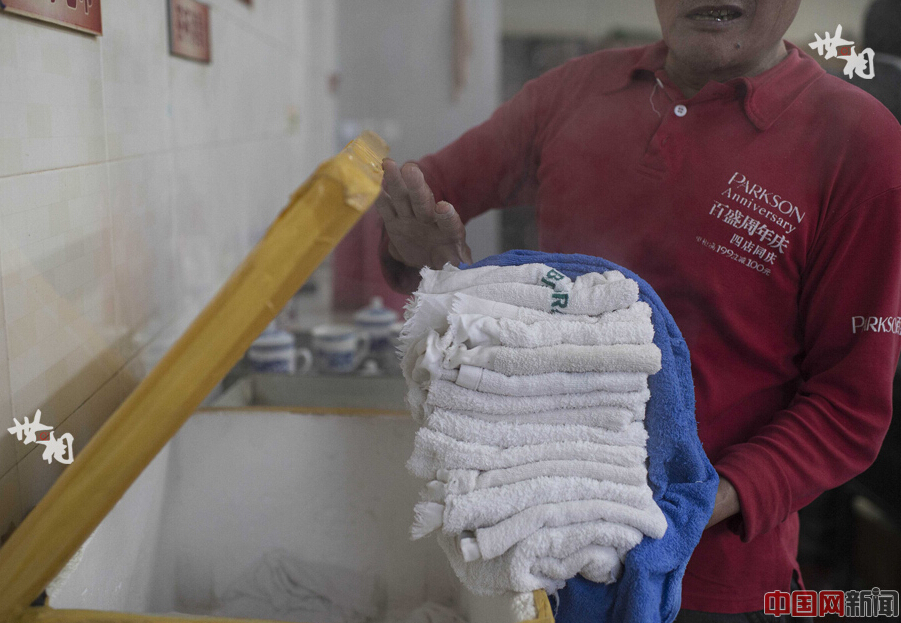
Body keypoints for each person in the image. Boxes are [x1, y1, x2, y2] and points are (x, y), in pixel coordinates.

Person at [374, 0, 901, 620]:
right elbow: (423, 202)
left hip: (720, 585)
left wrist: (691, 508)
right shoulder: (573, 93)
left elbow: (848, 408)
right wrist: (424, 254)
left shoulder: (859, 143)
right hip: (539, 561)